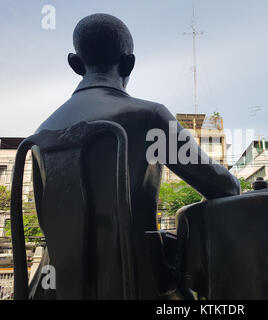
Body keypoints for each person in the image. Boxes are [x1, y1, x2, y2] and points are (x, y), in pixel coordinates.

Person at [30, 13, 240, 299]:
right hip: (141, 287)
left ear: (75, 64)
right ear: (129, 63)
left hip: (53, 292)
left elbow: (46, 220)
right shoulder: (148, 116)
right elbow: (225, 187)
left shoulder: (41, 132)